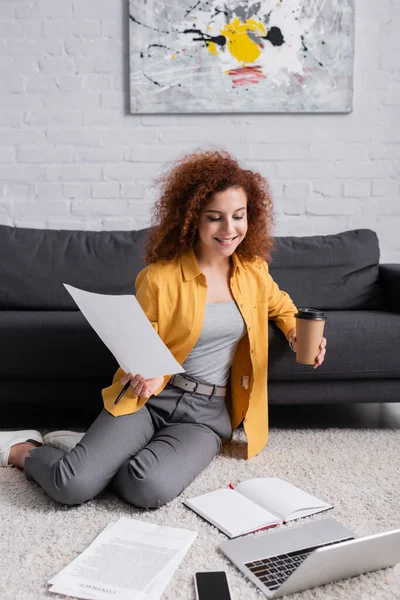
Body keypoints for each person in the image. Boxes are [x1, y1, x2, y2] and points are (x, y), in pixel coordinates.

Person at [0, 149, 326, 508]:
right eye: (214, 218)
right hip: (150, 397)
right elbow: (136, 342)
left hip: (206, 415)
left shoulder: (253, 272)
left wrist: (296, 332)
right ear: (193, 220)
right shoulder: (159, 278)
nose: (229, 229)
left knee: (146, 489)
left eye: (238, 216)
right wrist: (152, 372)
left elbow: (282, 306)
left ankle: (92, 452)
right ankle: (23, 449)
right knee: (72, 486)